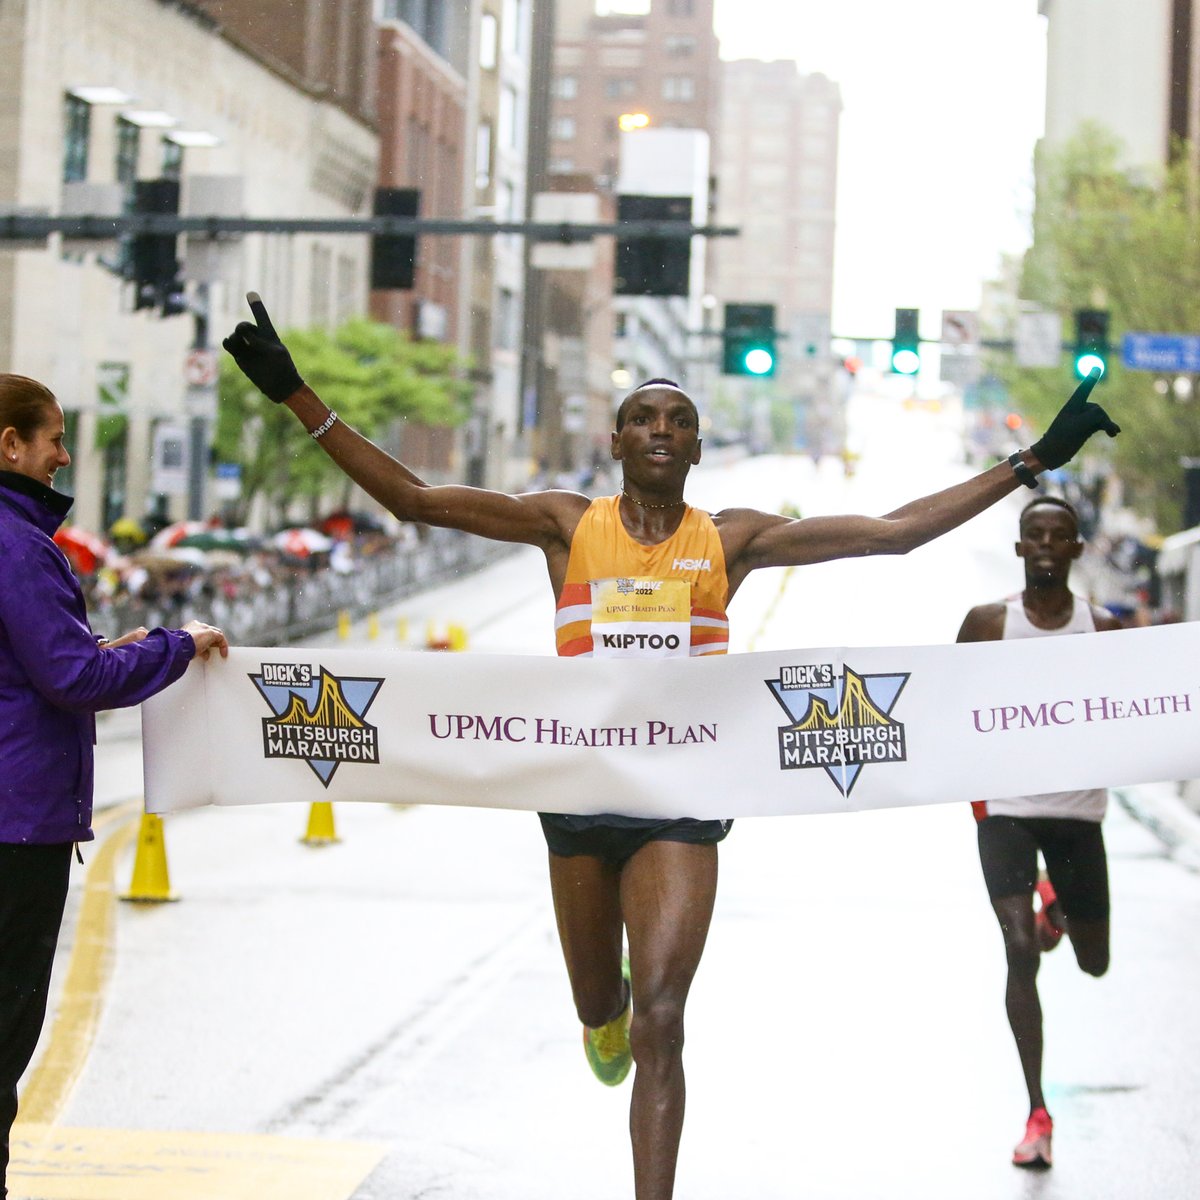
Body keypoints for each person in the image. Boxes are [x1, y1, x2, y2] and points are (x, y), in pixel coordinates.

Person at [223, 294, 1119, 1200]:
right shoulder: (566, 524)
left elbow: (893, 535)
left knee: (663, 1021)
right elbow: (414, 498)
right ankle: (597, 1015)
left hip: (681, 805)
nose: (661, 428)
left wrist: (1032, 460)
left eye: (679, 420)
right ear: (616, 444)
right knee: (605, 1013)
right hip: (578, 796)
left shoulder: (731, 540)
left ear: (696, 448)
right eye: (643, 418)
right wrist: (296, 393)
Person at [0, 374, 229, 1199]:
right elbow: (65, 675)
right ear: (10, 446)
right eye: (53, 438)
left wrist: (110, 652)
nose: (63, 455)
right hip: (16, 823)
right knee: (5, 1030)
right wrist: (175, 645)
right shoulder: (17, 542)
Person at [956, 495, 1121, 1172]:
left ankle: (1056, 905)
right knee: (1018, 949)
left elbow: (1140, 709)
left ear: (1079, 549)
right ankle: (1037, 1112)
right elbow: (947, 704)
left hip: (1078, 813)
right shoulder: (987, 622)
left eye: (1061, 536)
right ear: (1020, 548)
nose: (1048, 544)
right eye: (1035, 535)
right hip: (1007, 809)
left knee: (1093, 961)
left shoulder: (1105, 627)